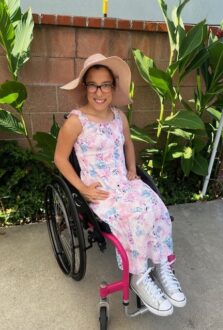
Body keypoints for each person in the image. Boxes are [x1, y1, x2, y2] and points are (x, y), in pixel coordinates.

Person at [54, 53, 186, 317]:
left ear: (113, 88)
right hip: (100, 189)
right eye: (93, 85)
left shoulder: (119, 117)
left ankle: (161, 265)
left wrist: (131, 169)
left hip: (123, 182)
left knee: (157, 208)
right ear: (85, 88)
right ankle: (138, 275)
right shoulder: (76, 121)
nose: (99, 92)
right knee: (136, 215)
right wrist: (81, 187)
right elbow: (59, 157)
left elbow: (128, 144)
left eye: (105, 85)